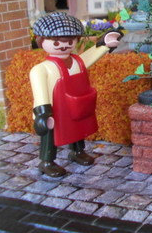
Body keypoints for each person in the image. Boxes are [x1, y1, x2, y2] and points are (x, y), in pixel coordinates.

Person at [30, 12, 122, 177]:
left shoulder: (77, 62)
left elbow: (88, 57)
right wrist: (43, 113)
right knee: (51, 135)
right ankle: (47, 161)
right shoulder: (41, 69)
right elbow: (40, 92)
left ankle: (77, 151)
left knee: (78, 128)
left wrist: (104, 45)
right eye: (56, 42)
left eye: (69, 41)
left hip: (75, 103)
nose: (63, 46)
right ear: (41, 40)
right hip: (53, 108)